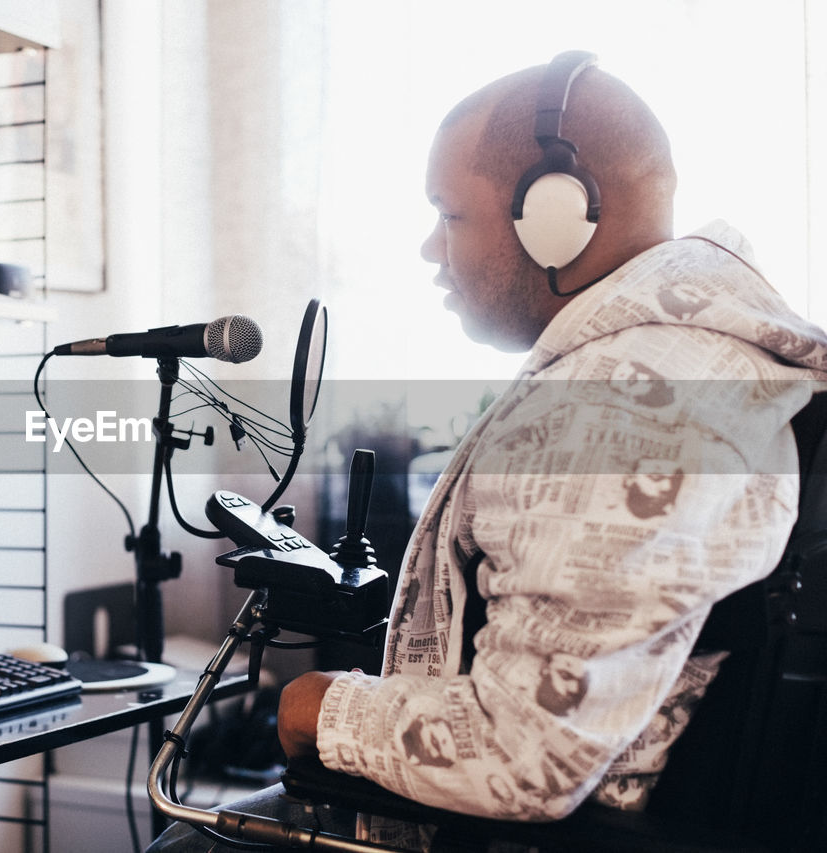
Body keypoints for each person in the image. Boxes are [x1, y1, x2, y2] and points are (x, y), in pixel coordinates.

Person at [150, 52, 827, 851]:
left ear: (556, 213)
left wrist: (317, 704)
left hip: (520, 836)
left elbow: (520, 753)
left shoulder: (612, 405)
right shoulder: (702, 367)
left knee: (188, 841)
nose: (431, 250)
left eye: (449, 214)